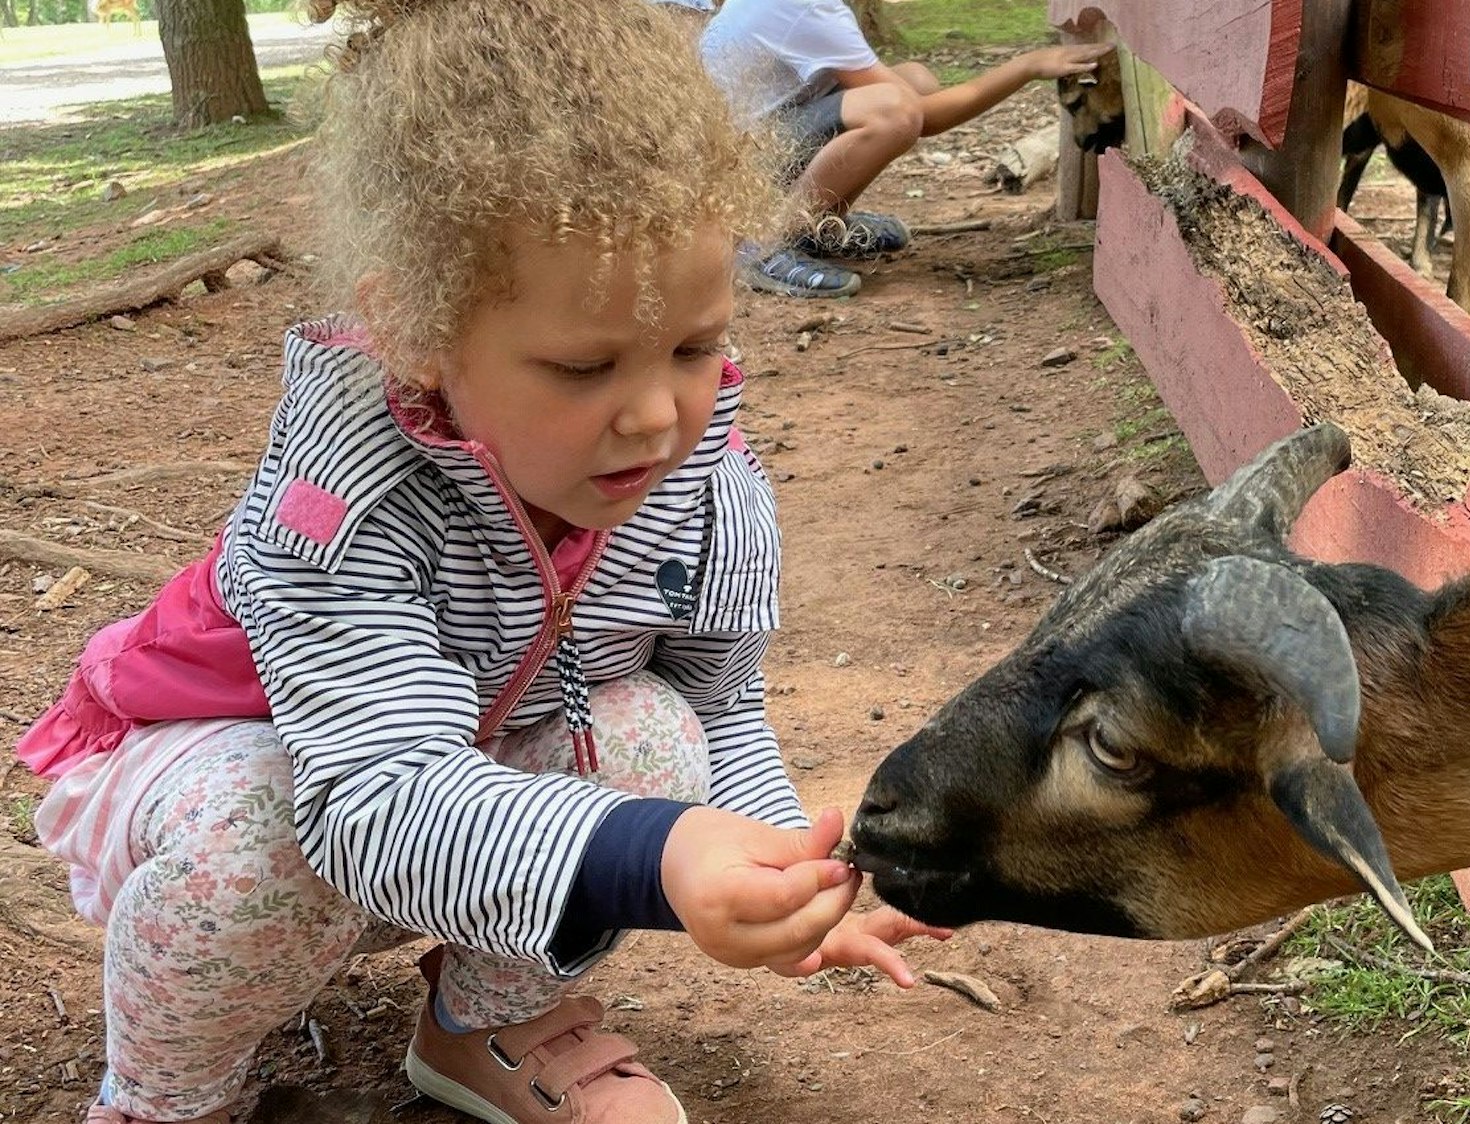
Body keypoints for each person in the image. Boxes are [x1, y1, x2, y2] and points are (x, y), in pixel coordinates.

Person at [15, 3, 948, 1122]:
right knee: (262, 825)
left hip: (465, 778)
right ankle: (167, 1095)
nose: (656, 416)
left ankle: (483, 1024)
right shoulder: (338, 501)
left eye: (695, 346)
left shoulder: (707, 487)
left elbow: (719, 698)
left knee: (655, 732)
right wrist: (658, 854)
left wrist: (785, 865)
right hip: (228, 787)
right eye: (580, 365)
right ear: (416, 331)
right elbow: (371, 797)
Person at [700, 0, 1109, 298]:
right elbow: (920, 118)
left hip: (747, 147)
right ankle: (766, 247)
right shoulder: (808, 7)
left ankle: (819, 226)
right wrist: (1027, 66)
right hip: (732, 171)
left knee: (915, 80)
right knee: (895, 112)